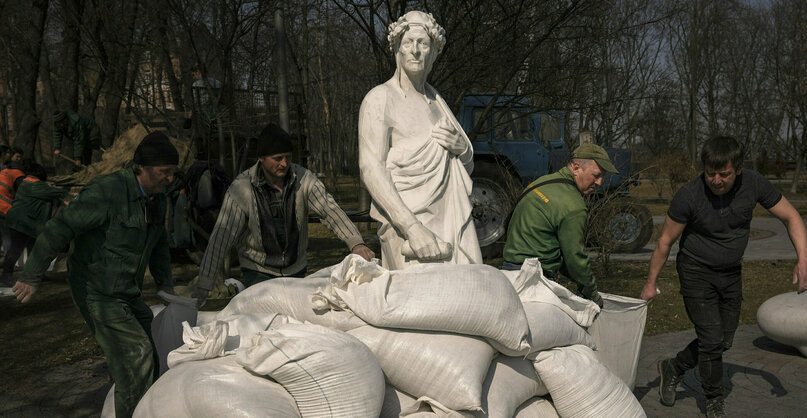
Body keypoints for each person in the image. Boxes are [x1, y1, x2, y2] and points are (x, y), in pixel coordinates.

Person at [640, 136, 807, 418]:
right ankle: (713, 401)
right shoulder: (690, 195)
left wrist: (804, 260)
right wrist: (650, 283)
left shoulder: (754, 184)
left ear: (739, 168)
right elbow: (665, 242)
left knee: (723, 340)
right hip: (695, 272)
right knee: (711, 339)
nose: (717, 180)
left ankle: (675, 367)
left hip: (731, 272)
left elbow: (791, 217)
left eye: (724, 174)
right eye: (711, 173)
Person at [13, 132, 179, 418]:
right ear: (142, 168)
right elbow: (59, 228)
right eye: (164, 172)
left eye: (173, 173)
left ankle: (134, 407)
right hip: (96, 290)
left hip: (126, 290)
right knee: (135, 355)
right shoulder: (107, 192)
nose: (170, 179)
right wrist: (31, 275)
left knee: (148, 352)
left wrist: (165, 285)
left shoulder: (156, 198)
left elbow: (159, 243)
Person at [192, 124, 374, 305]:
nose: (284, 164)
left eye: (288, 157)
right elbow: (221, 236)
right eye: (278, 158)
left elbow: (330, 210)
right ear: (262, 158)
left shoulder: (304, 179)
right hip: (257, 270)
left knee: (293, 319)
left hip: (295, 268)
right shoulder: (241, 188)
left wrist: (356, 243)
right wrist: (205, 282)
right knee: (264, 321)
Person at [358, 10, 481, 270]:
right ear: (397, 49)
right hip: (408, 230)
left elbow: (464, 169)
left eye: (423, 44)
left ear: (434, 52)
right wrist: (412, 228)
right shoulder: (380, 99)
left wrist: (463, 150)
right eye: (408, 43)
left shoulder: (437, 101)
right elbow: (371, 169)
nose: (415, 50)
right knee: (416, 306)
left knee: (460, 299)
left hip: (450, 221)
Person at [502, 143, 618, 309]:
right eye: (596, 175)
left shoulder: (541, 182)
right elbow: (575, 259)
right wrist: (592, 294)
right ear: (577, 167)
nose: (600, 182)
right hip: (536, 281)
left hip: (509, 272)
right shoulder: (574, 206)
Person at [0, 163, 68, 286]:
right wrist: (64, 192)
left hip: (26, 223)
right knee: (16, 249)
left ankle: (35, 274)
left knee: (33, 250)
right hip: (21, 223)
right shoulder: (32, 184)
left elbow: (49, 196)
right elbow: (50, 192)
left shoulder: (30, 184)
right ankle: (6, 276)